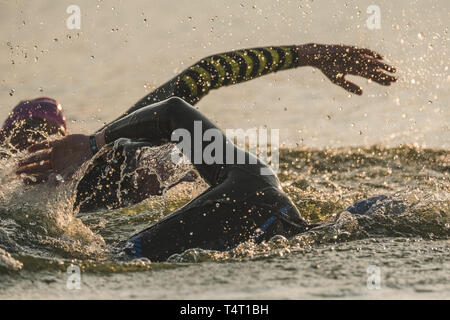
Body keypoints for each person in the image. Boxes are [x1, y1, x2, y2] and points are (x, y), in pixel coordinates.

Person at [13, 43, 397, 261]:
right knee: (332, 232)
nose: (38, 160)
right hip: (263, 196)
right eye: (27, 149)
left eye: (48, 148)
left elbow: (201, 77)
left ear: (64, 145)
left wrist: (308, 55)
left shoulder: (107, 147)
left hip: (242, 199)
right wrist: (310, 55)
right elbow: (203, 76)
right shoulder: (103, 149)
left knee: (114, 260)